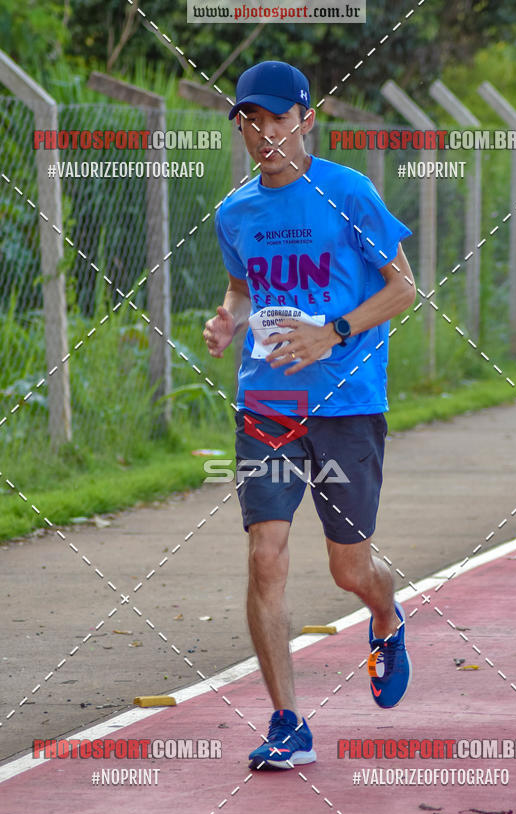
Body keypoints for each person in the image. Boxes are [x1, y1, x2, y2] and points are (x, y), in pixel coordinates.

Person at [203, 60, 416, 770]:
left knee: (349, 569)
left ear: (306, 120)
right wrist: (229, 319)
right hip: (267, 403)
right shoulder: (235, 212)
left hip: (347, 405)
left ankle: (384, 613)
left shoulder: (347, 192)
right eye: (250, 121)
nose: (264, 133)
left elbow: (404, 288)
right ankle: (288, 721)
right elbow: (242, 288)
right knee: (265, 554)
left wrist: (335, 331)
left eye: (277, 119)